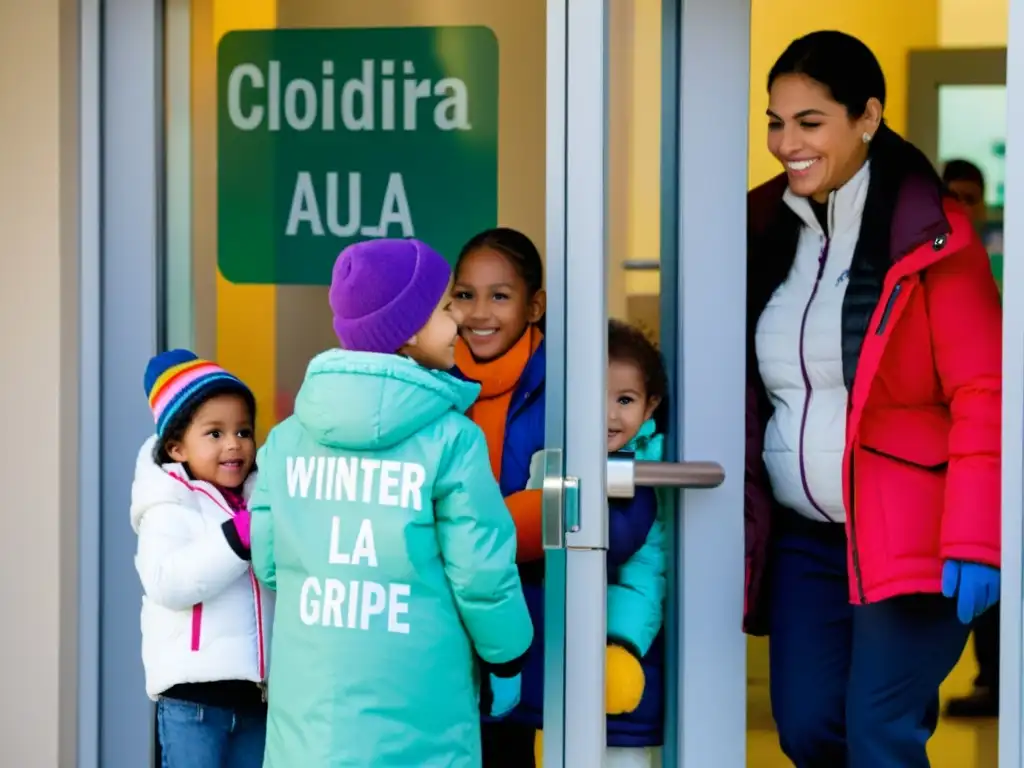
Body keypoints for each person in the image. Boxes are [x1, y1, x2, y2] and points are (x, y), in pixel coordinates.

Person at [744, 31, 1002, 767]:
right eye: (775, 121)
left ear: (867, 117)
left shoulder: (934, 236)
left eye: (809, 121)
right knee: (807, 728)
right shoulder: (762, 226)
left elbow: (986, 392)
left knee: (880, 734)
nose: (786, 141)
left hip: (910, 533)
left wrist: (980, 540)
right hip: (805, 539)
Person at [249, 238, 533, 767]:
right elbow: (481, 571)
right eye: (447, 307)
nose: (460, 321)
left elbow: (268, 559)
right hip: (422, 703)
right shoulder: (452, 439)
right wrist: (507, 656)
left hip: (314, 708)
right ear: (409, 330)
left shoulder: (286, 440)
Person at [527, 319, 668, 768]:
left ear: (650, 407)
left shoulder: (649, 470)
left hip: (627, 645)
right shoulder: (557, 459)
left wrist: (620, 642)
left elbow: (636, 557)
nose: (609, 416)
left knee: (622, 750)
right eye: (596, 398)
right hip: (567, 649)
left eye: (624, 401)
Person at [131, 350, 273, 767]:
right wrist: (237, 537)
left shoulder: (256, 501)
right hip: (193, 701)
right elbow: (168, 583)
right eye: (215, 433)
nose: (234, 443)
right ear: (176, 448)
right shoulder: (167, 507)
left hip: (255, 697)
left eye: (243, 431)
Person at [451, 227, 549, 766]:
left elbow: (554, 511)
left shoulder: (566, 381)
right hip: (446, 611)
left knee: (508, 747)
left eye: (500, 296)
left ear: (534, 306)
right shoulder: (433, 380)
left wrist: (464, 536)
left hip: (528, 611)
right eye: (466, 295)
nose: (480, 313)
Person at [941, 158, 1000, 719]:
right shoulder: (943, 259)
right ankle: (994, 681)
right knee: (983, 548)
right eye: (951, 193)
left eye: (969, 195)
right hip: (973, 427)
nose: (961, 203)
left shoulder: (1006, 253)